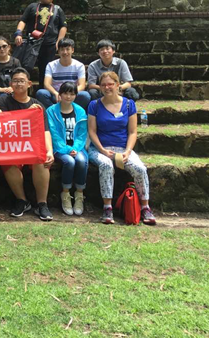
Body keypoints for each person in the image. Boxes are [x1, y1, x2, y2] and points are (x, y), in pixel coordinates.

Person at [87, 72, 156, 225]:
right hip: (100, 148)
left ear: (118, 85)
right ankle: (107, 207)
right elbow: (92, 131)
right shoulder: (94, 105)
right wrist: (102, 150)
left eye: (110, 84)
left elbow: (132, 132)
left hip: (123, 148)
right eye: (103, 85)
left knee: (140, 168)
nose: (107, 87)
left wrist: (128, 151)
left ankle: (145, 207)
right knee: (106, 165)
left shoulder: (129, 104)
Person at [0, 68, 55, 221]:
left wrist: (50, 151)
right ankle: (22, 200)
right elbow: (2, 123)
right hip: (11, 145)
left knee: (42, 160)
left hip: (32, 146)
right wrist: (26, 114)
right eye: (15, 81)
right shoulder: (3, 101)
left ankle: (42, 204)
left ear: (29, 84)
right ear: (10, 84)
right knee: (7, 161)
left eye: (22, 81)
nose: (18, 84)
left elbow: (45, 131)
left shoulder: (38, 105)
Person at [46, 82, 88, 216]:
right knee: (69, 162)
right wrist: (67, 149)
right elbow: (53, 134)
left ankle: (79, 194)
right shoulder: (51, 111)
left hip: (77, 147)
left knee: (81, 161)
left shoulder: (80, 111)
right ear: (60, 94)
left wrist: (75, 148)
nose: (68, 97)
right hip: (59, 148)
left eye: (72, 94)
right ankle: (65, 193)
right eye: (65, 93)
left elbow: (82, 134)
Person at [14, 0, 67, 89]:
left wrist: (59, 42)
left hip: (49, 44)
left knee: (46, 69)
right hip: (32, 43)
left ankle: (43, 91)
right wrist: (18, 33)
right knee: (25, 67)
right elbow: (23, 21)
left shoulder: (57, 9)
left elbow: (63, 26)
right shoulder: (32, 7)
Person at [36, 38, 91, 110]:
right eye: (62, 49)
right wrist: (56, 93)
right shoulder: (51, 65)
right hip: (56, 95)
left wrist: (70, 94)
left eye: (67, 49)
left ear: (72, 50)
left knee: (85, 95)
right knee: (41, 93)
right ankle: (54, 112)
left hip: (72, 95)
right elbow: (46, 84)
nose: (65, 52)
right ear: (58, 51)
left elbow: (82, 85)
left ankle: (73, 111)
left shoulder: (79, 65)